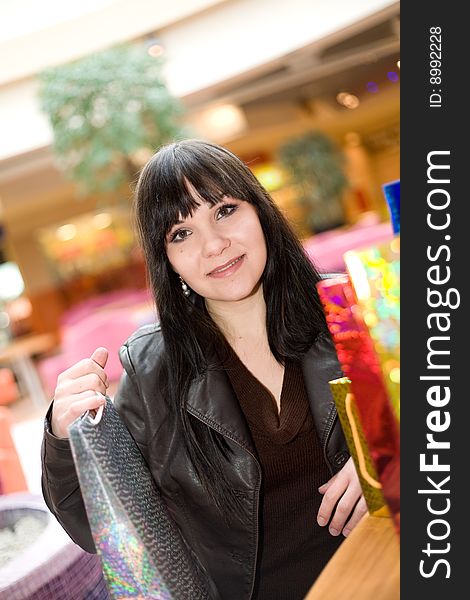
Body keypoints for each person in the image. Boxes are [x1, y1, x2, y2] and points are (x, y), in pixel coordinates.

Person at [41, 139, 367, 600]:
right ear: (167, 259)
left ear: (260, 212)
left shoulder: (351, 309)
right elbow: (98, 529)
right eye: (181, 233)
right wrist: (61, 434)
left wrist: (385, 459)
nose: (214, 245)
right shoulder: (154, 369)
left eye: (224, 211)